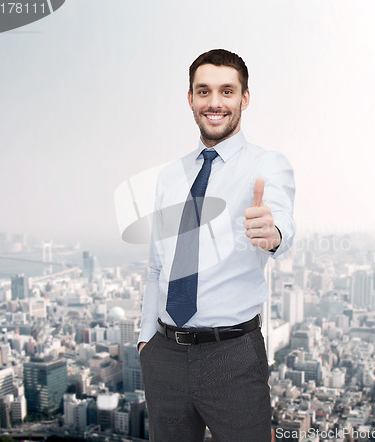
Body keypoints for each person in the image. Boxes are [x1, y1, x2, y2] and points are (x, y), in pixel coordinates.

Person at [138, 48, 295, 442]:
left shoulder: (267, 165)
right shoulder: (170, 177)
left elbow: (282, 222)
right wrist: (145, 341)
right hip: (164, 354)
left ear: (244, 98)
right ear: (190, 98)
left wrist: (272, 232)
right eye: (203, 91)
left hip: (232, 356)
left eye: (227, 91)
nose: (215, 102)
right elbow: (158, 265)